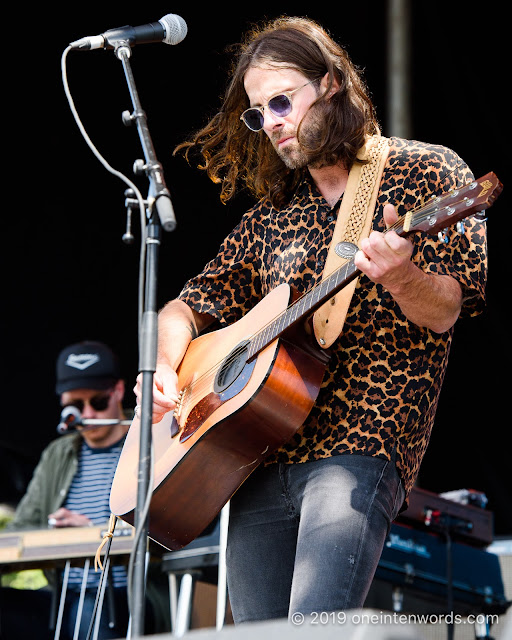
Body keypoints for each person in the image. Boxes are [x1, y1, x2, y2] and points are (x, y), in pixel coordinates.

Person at [134, 16, 487, 624]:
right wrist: (167, 364)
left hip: (360, 449)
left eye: (280, 101)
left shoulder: (425, 171)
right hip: (258, 456)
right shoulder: (274, 215)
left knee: (315, 632)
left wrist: (402, 276)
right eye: (257, 112)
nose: (270, 122)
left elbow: (449, 308)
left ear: (328, 84)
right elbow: (188, 303)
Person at [2, 341, 131, 639]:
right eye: (76, 406)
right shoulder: (57, 453)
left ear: (119, 391)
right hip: (61, 595)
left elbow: (168, 527)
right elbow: (22, 526)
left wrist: (93, 531)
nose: (88, 414)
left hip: (127, 593)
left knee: (89, 610)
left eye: (98, 402)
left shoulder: (149, 442)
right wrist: (53, 530)